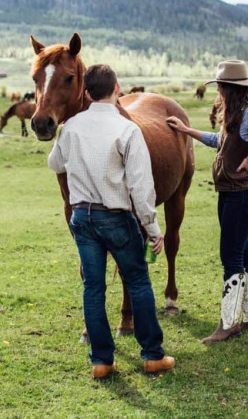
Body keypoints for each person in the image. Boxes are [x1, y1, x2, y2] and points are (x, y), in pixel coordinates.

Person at [48, 64, 175, 380]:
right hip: (116, 217)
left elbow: (54, 163)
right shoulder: (127, 130)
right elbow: (141, 186)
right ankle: (152, 356)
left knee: (93, 286)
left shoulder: (71, 128)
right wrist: (153, 229)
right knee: (138, 281)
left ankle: (102, 361)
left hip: (82, 217)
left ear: (86, 93)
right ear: (118, 90)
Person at [167, 60, 248, 345]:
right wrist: (187, 131)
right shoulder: (237, 115)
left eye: (221, 87)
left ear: (229, 88)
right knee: (243, 253)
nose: (219, 92)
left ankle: (228, 324)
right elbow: (219, 141)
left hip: (241, 194)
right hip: (233, 194)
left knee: (231, 256)